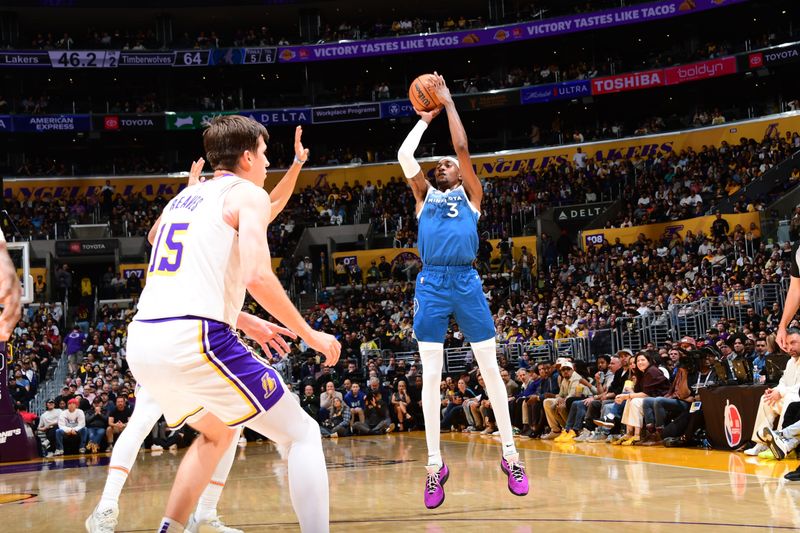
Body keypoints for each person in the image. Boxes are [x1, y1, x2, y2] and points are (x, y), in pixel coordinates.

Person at [120, 117, 341, 533]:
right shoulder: (246, 194)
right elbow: (257, 275)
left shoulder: (184, 200)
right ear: (247, 157)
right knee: (302, 434)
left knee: (218, 432)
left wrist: (240, 318)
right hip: (195, 338)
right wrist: (311, 335)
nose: (266, 161)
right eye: (265, 153)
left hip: (144, 342)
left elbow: (158, 242)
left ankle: (171, 528)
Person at [397, 73, 528, 509]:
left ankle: (511, 455)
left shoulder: (473, 195)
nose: (442, 166)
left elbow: (463, 149)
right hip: (432, 283)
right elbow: (403, 154)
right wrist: (424, 119)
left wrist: (450, 104)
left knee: (491, 370)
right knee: (431, 377)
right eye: (438, 166)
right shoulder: (423, 196)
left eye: (447, 165)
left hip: (466, 282)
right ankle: (434, 465)